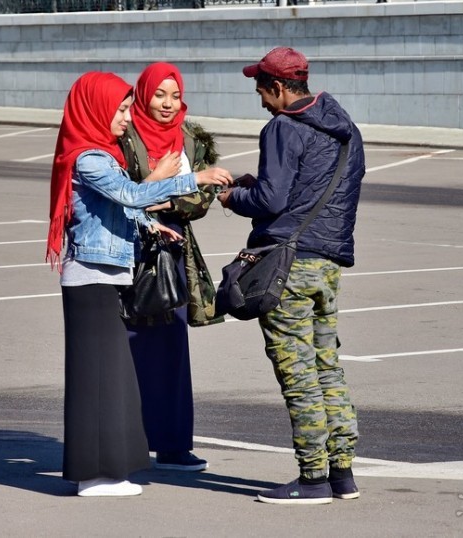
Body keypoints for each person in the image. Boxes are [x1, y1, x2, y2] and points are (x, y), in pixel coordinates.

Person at [47, 71, 232, 497]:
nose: (126, 118)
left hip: (104, 276)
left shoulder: (100, 153)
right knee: (98, 379)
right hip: (92, 277)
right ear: (96, 109)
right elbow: (129, 194)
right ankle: (95, 477)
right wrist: (195, 178)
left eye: (129, 109)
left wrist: (150, 226)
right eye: (120, 109)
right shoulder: (91, 158)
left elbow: (119, 207)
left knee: (108, 380)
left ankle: (104, 473)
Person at [217, 47, 365, 505]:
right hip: (328, 263)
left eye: (262, 90)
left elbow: (272, 200)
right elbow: (315, 193)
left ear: (279, 87)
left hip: (288, 265)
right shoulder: (344, 127)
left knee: (298, 373)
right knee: (326, 365)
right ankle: (342, 473)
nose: (261, 100)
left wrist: (233, 197)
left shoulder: (283, 127)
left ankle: (313, 478)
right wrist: (257, 187)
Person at [120, 62, 221, 472]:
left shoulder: (192, 139)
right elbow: (116, 189)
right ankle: (125, 440)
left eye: (175, 96)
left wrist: (166, 200)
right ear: (144, 94)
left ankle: (173, 444)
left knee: (171, 346)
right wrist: (158, 189)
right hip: (127, 245)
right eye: (159, 95)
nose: (167, 104)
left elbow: (204, 196)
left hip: (171, 249)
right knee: (127, 345)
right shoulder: (124, 132)